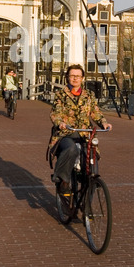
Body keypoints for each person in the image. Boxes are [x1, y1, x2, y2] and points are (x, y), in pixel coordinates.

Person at [49, 64, 112, 194]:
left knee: (91, 160)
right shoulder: (60, 95)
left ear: (82, 78)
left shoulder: (89, 95)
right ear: (67, 77)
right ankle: (63, 179)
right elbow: (55, 113)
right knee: (70, 149)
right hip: (67, 133)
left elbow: (96, 112)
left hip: (85, 134)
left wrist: (104, 123)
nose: (75, 79)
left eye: (77, 76)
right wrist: (60, 123)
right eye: (72, 76)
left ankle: (88, 194)